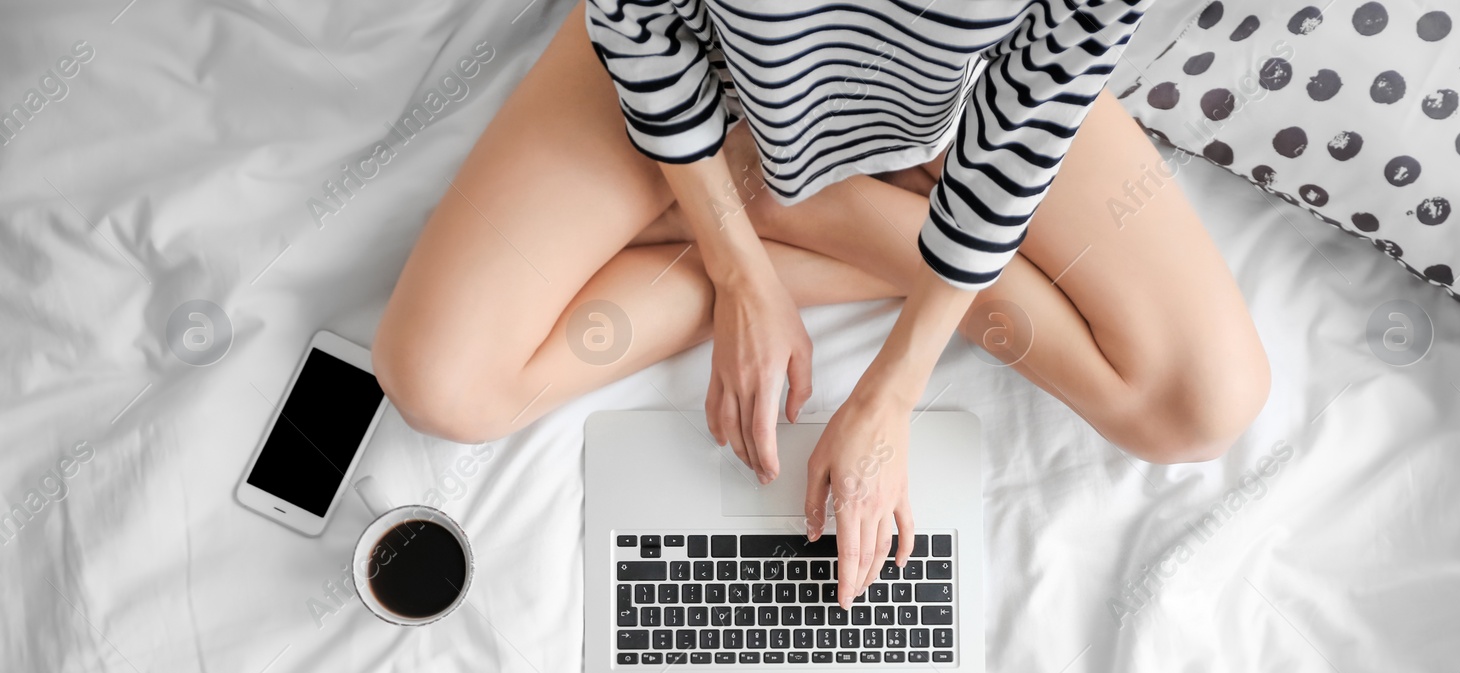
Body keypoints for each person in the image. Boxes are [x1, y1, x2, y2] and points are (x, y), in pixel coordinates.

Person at [372, 0, 1270, 610]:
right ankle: (798, 214)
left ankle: (788, 207)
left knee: (1204, 404)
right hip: (700, 85)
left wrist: (893, 391)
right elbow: (642, 31)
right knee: (443, 384)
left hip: (963, 108)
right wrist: (738, 273)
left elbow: (1034, 105)